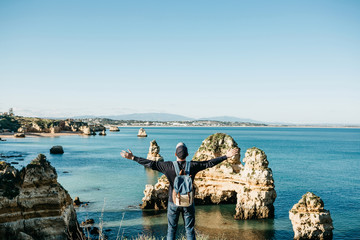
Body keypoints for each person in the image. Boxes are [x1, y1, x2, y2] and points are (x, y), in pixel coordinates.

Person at [121, 142, 239, 240]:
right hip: (188, 201)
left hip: (173, 202)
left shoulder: (167, 166)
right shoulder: (193, 165)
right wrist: (226, 156)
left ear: (175, 154)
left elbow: (150, 163)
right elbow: (209, 163)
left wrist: (132, 157)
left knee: (172, 229)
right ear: (187, 154)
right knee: (190, 229)